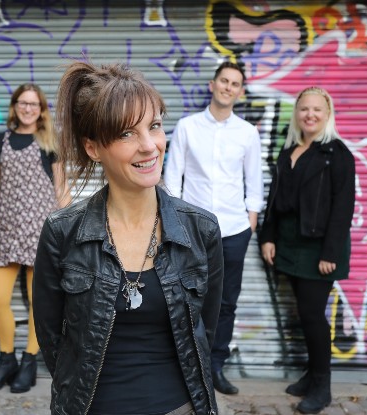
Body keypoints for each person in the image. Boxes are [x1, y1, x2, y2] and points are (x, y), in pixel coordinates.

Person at [33, 61, 224, 415]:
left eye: (154, 126)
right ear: (93, 148)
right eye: (126, 133)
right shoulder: (63, 232)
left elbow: (203, 333)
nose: (149, 146)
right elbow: (52, 340)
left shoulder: (201, 230)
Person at [164, 61, 264, 395]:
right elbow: (173, 178)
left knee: (226, 302)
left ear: (240, 92)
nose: (228, 87)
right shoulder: (188, 127)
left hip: (234, 230)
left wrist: (250, 222)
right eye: (224, 80)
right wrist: (175, 222)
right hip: (192, 230)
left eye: (235, 84)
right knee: (187, 297)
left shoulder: (247, 133)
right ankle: (187, 364)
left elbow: (254, 180)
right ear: (213, 84)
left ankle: (215, 366)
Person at [260, 86, 355, 414]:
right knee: (303, 313)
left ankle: (322, 386)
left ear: (327, 114)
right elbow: (275, 200)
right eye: (304, 109)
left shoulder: (337, 154)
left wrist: (330, 253)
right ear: (296, 113)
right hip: (289, 242)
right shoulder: (288, 151)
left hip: (319, 248)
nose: (309, 115)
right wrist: (268, 236)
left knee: (313, 315)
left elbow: (343, 207)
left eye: (317, 109)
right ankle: (311, 375)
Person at [0, 83, 71, 394]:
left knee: (39, 302)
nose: (28, 108)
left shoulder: (49, 141)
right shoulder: (1, 141)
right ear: (15, 106)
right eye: (23, 102)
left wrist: (66, 229)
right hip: (7, 230)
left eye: (34, 104)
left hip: (40, 232)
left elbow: (61, 188)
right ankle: (6, 358)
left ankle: (30, 360)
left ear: (41, 109)